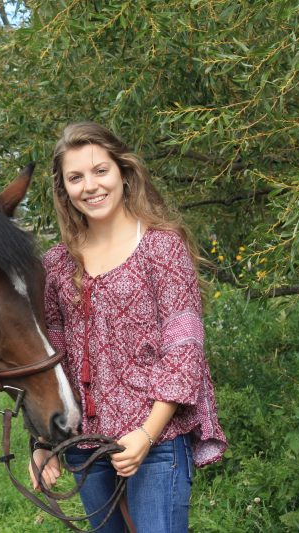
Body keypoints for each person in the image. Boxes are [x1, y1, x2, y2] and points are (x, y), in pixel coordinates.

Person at [29, 122, 228, 532]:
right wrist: (43, 441)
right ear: (63, 188)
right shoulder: (57, 264)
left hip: (155, 440)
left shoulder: (162, 247)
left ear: (123, 171)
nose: (90, 185)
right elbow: (53, 357)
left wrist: (147, 434)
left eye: (100, 170)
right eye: (76, 177)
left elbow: (184, 348)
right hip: (85, 445)